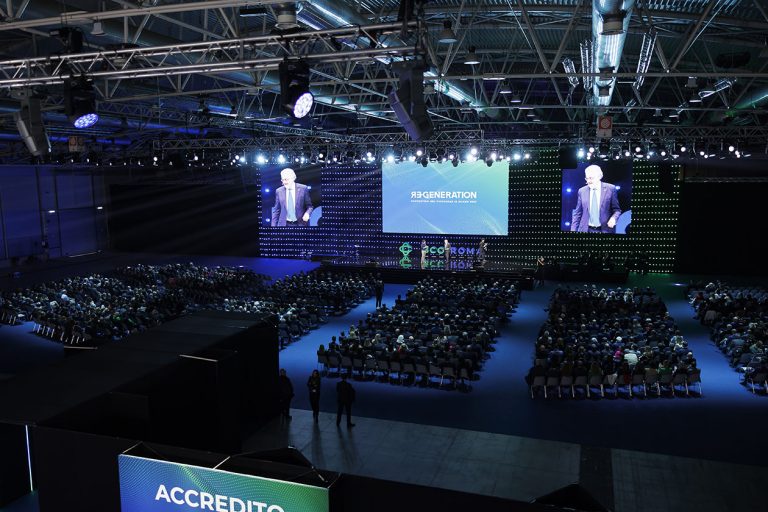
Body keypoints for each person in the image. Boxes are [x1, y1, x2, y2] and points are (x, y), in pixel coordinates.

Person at [571, 164, 621, 233]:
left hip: (605, 230)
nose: (588, 181)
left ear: (599, 177)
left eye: (591, 178)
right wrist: (573, 230)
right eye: (587, 178)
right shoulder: (582, 191)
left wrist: (613, 218)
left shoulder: (610, 189)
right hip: (586, 229)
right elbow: (577, 213)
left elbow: (617, 210)